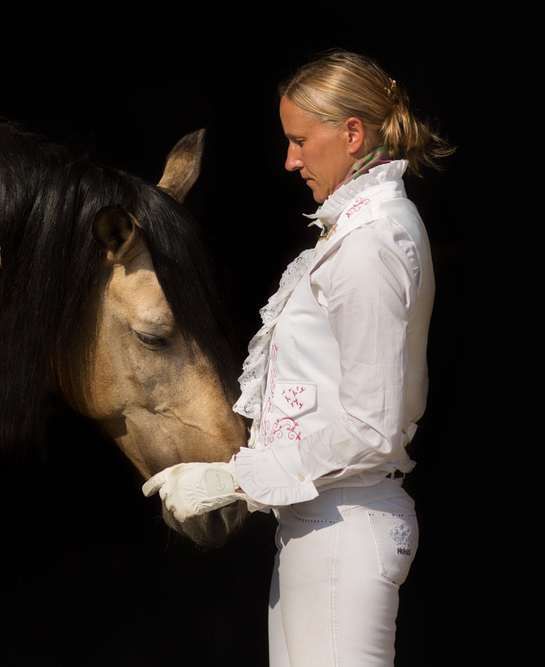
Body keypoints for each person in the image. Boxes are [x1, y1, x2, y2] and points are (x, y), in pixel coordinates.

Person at [143, 50, 454, 665]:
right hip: (318, 529)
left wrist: (232, 480)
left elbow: (372, 426)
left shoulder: (369, 244)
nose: (290, 160)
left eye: (299, 141)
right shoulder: (356, 231)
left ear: (352, 133)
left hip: (345, 528)